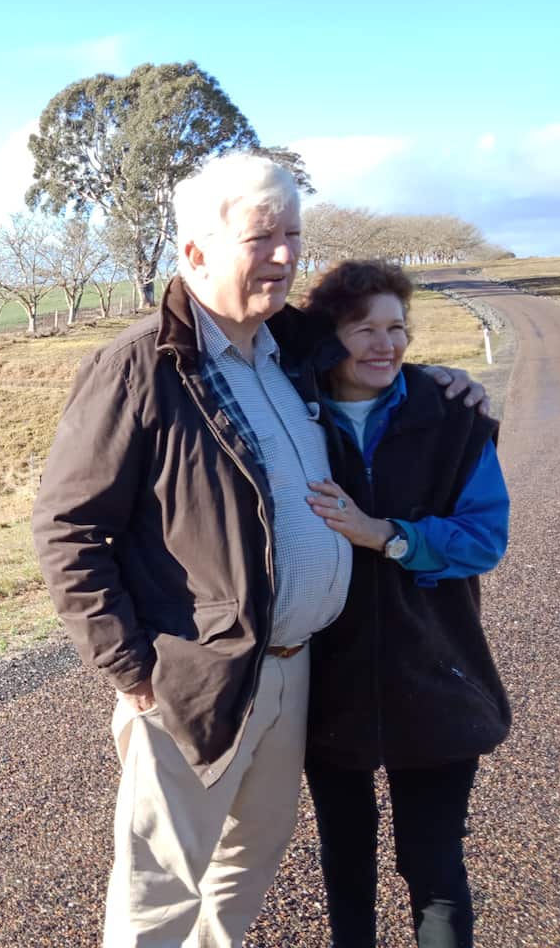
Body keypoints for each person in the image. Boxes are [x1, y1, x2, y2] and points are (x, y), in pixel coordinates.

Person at [30, 152, 487, 948]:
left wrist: (436, 379)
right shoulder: (140, 366)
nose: (284, 255)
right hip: (194, 676)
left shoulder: (290, 349)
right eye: (261, 237)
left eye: (293, 235)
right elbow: (67, 528)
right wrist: (131, 671)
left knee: (248, 865)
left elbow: (374, 357)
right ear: (195, 250)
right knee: (160, 892)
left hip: (295, 666)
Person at [298, 260, 510, 948]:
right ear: (329, 338)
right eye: (364, 329)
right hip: (328, 678)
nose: (385, 344)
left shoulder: (453, 416)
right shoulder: (292, 420)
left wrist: (387, 536)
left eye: (396, 327)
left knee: (433, 864)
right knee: (345, 860)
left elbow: (484, 538)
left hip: (437, 670)